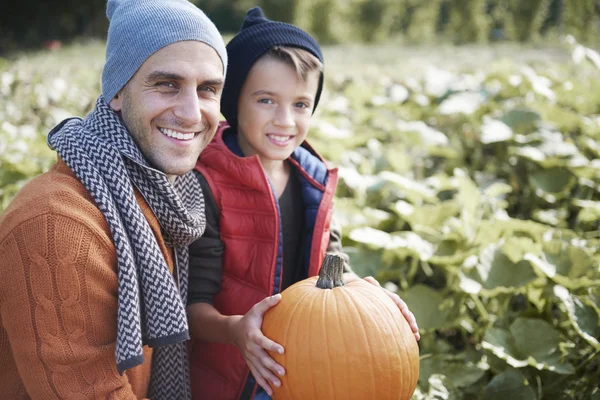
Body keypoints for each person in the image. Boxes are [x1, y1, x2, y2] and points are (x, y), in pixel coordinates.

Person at [185, 7, 420, 400]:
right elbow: (191, 307)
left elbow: (334, 269)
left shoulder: (314, 179)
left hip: (301, 372)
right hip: (226, 377)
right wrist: (236, 331)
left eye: (300, 105)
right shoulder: (205, 183)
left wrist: (373, 303)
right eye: (265, 100)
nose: (284, 121)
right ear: (234, 100)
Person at [0, 0, 227, 398]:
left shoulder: (161, 197)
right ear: (118, 92)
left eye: (207, 89)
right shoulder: (56, 226)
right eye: (167, 84)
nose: (193, 113)